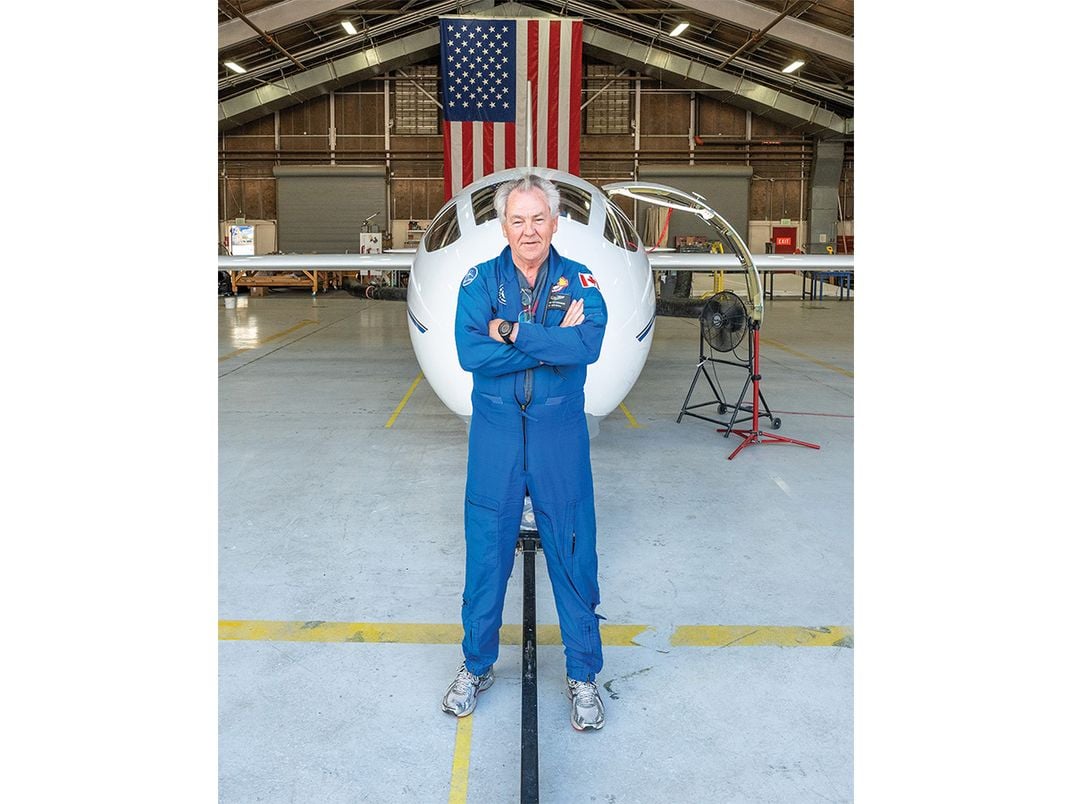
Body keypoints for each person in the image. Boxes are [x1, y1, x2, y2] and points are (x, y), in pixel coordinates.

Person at [441, 174, 608, 731]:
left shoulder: (579, 280)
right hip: (496, 440)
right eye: (518, 219)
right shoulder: (479, 281)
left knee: (574, 550)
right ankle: (476, 665)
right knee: (486, 552)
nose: (529, 230)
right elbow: (470, 352)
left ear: (555, 223)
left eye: (539, 219)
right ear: (504, 225)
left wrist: (511, 332)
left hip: (560, 439)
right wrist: (546, 343)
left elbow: (587, 344)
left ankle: (584, 675)